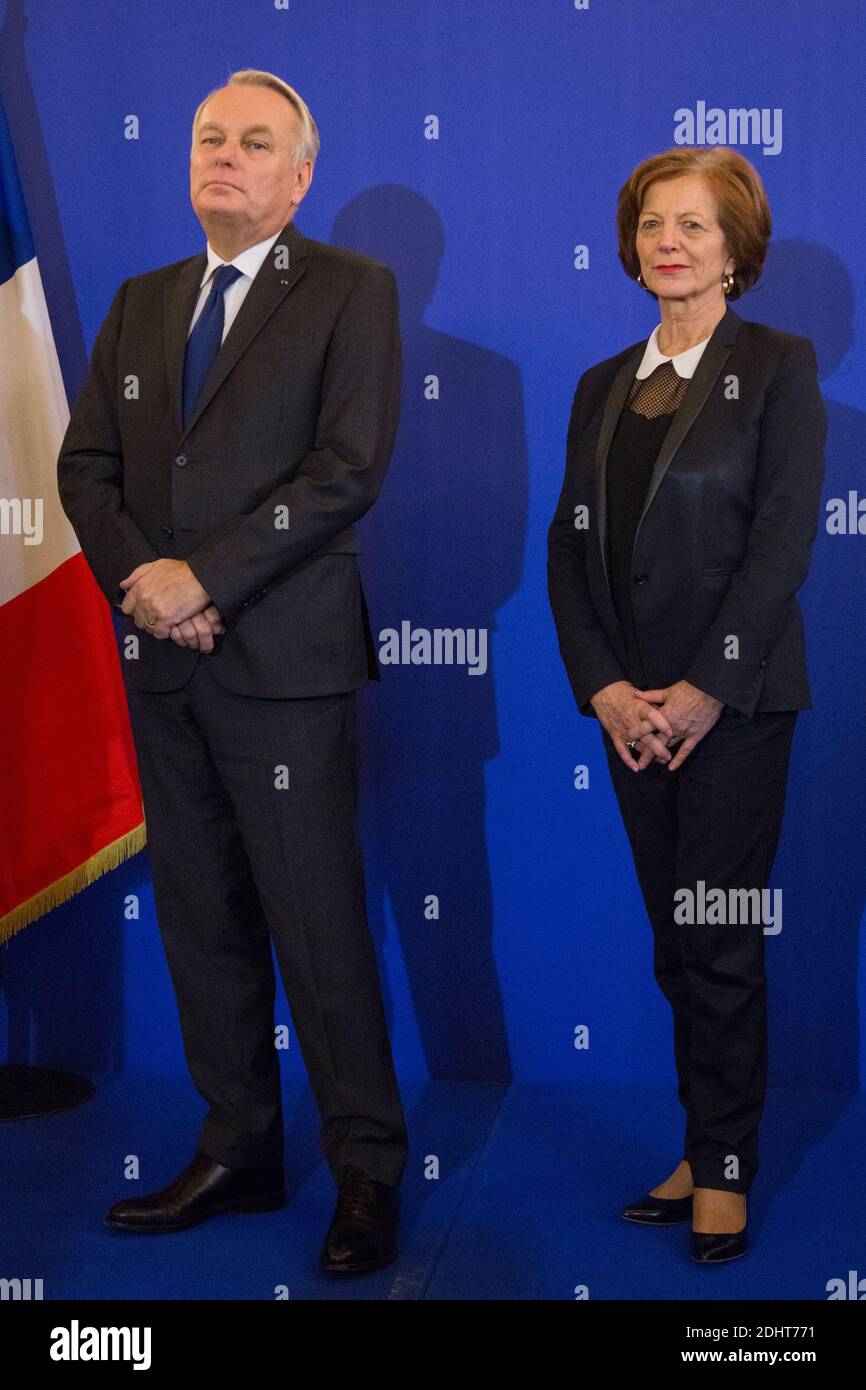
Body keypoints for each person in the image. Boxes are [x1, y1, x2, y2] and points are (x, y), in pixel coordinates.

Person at [57, 69, 407, 1276]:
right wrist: (148, 584)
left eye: (255, 142)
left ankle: (365, 1169)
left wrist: (201, 578)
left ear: (298, 175)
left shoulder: (352, 292)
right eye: (209, 137)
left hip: (284, 665)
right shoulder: (142, 300)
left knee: (315, 928)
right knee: (202, 921)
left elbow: (344, 468)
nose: (225, 156)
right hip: (167, 664)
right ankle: (239, 1146)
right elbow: (86, 468)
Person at [547, 146, 826, 1263]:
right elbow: (568, 553)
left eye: (694, 226)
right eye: (653, 223)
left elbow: (777, 545)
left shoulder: (775, 366)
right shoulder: (599, 384)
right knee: (673, 941)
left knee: (714, 940)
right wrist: (607, 690)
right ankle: (699, 1142)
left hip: (734, 709)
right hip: (631, 718)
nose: (669, 241)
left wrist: (703, 688)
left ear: (733, 251)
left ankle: (724, 1168)